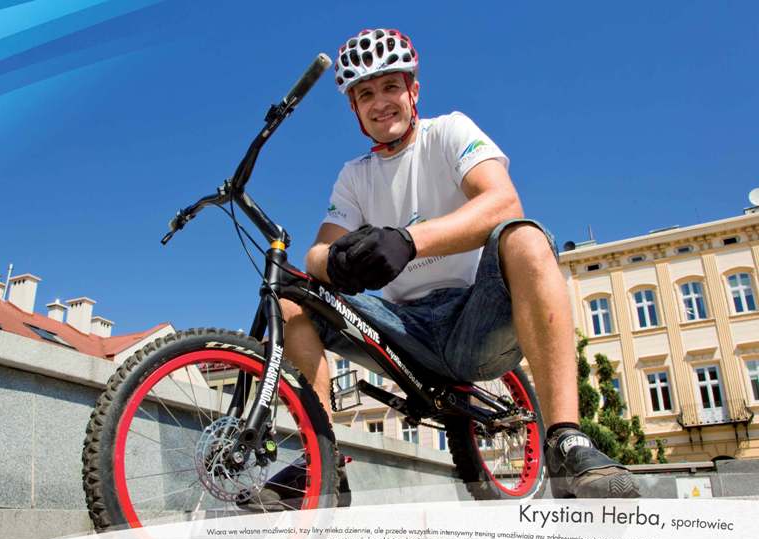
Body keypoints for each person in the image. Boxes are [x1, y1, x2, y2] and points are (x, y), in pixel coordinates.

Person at [247, 28, 639, 508]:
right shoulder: (354, 176)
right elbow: (318, 252)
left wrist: (409, 241)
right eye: (365, 94)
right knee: (292, 296)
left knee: (526, 237)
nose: (380, 102)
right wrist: (336, 261)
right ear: (354, 109)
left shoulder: (450, 131)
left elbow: (503, 201)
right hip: (403, 329)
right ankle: (322, 459)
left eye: (390, 86)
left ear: (413, 90)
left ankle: (566, 439)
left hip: (473, 314)